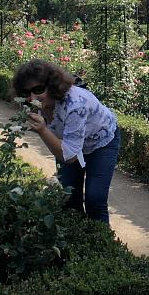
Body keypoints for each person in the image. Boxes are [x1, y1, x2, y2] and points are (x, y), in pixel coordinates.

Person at [12, 59, 120, 224]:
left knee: (95, 199)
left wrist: (42, 130)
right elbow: (65, 147)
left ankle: (102, 243)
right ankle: (77, 238)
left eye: (38, 89)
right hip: (72, 143)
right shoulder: (42, 101)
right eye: (26, 93)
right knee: (68, 196)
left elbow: (69, 156)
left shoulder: (75, 105)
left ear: (53, 85)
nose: (32, 97)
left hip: (101, 142)